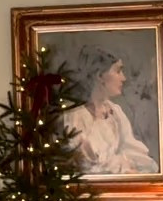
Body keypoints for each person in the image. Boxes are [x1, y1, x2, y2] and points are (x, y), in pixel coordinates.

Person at [63, 45, 157, 175]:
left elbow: (131, 148)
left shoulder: (115, 112)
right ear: (100, 75)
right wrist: (122, 166)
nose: (123, 78)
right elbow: (86, 163)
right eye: (118, 71)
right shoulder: (74, 116)